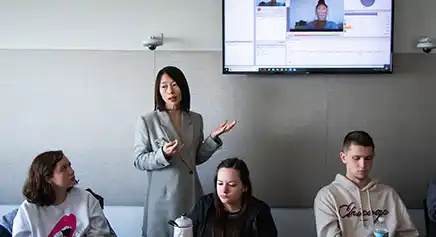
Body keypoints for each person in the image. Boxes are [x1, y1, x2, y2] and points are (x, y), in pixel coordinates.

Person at [133, 66, 236, 237]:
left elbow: (195, 158)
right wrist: (163, 154)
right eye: (164, 86)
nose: (170, 91)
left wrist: (213, 137)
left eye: (174, 85)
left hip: (190, 194)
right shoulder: (147, 121)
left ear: (183, 88)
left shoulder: (195, 119)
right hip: (163, 199)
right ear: (158, 91)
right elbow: (139, 160)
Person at [314, 131, 419, 237]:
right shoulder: (327, 196)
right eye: (356, 158)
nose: (363, 164)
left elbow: (409, 234)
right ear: (343, 157)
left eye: (368, 158)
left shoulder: (389, 194)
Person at [12, 150, 114, 237]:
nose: (71, 171)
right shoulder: (28, 212)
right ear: (47, 178)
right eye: (63, 169)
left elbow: (101, 234)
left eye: (70, 165)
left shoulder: (86, 198)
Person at [188, 158, 277, 237]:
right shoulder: (204, 204)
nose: (224, 190)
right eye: (220, 183)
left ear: (244, 187)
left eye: (232, 185)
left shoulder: (259, 211)